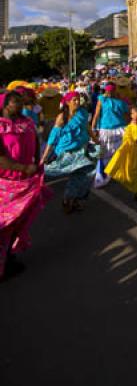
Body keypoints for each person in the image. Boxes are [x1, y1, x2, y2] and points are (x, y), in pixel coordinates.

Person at [0, 91, 51, 280]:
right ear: (5, 104)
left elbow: (36, 142)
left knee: (18, 223)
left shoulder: (27, 122)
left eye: (21, 102)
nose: (20, 106)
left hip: (25, 183)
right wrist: (22, 167)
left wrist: (37, 163)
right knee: (4, 226)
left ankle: (8, 257)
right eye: (15, 103)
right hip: (5, 185)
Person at [40, 91, 98, 214]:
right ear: (67, 102)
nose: (77, 102)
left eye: (78, 99)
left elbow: (87, 127)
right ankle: (70, 199)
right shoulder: (62, 117)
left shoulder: (83, 112)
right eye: (74, 100)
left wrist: (96, 140)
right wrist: (44, 156)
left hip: (82, 150)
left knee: (85, 176)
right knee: (80, 175)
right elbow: (53, 138)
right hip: (67, 153)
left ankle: (73, 199)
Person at [105, 101, 137, 202]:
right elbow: (127, 136)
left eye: (133, 113)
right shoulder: (131, 126)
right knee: (135, 171)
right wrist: (131, 141)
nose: (131, 115)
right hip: (133, 153)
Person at [91, 82, 129, 186]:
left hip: (119, 129)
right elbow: (96, 115)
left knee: (118, 153)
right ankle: (103, 176)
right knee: (106, 154)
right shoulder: (102, 100)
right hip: (108, 130)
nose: (109, 92)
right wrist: (93, 128)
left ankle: (115, 173)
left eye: (111, 90)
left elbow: (127, 117)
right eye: (108, 90)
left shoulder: (120, 102)